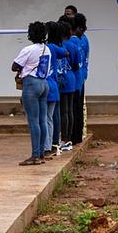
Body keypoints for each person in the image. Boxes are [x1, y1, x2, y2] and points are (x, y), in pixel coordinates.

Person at [13, 22, 52, 166]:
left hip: (31, 84)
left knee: (33, 121)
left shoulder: (28, 49)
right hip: (44, 83)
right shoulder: (47, 49)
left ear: (30, 34)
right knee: (42, 120)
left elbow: (14, 66)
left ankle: (35, 155)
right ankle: (41, 154)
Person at [45, 20, 68, 156]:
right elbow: (66, 53)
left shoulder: (48, 47)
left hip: (50, 82)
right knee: (55, 114)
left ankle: (50, 144)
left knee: (48, 116)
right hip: (58, 81)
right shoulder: (58, 46)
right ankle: (55, 141)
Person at [55, 18, 78, 152]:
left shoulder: (58, 45)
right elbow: (76, 64)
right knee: (69, 110)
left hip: (61, 78)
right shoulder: (73, 46)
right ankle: (68, 137)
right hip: (71, 78)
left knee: (62, 110)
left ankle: (63, 138)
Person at [70, 13, 89, 145]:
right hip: (80, 77)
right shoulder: (83, 39)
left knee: (73, 108)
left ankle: (73, 135)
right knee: (77, 108)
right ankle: (78, 134)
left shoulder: (74, 42)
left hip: (74, 79)